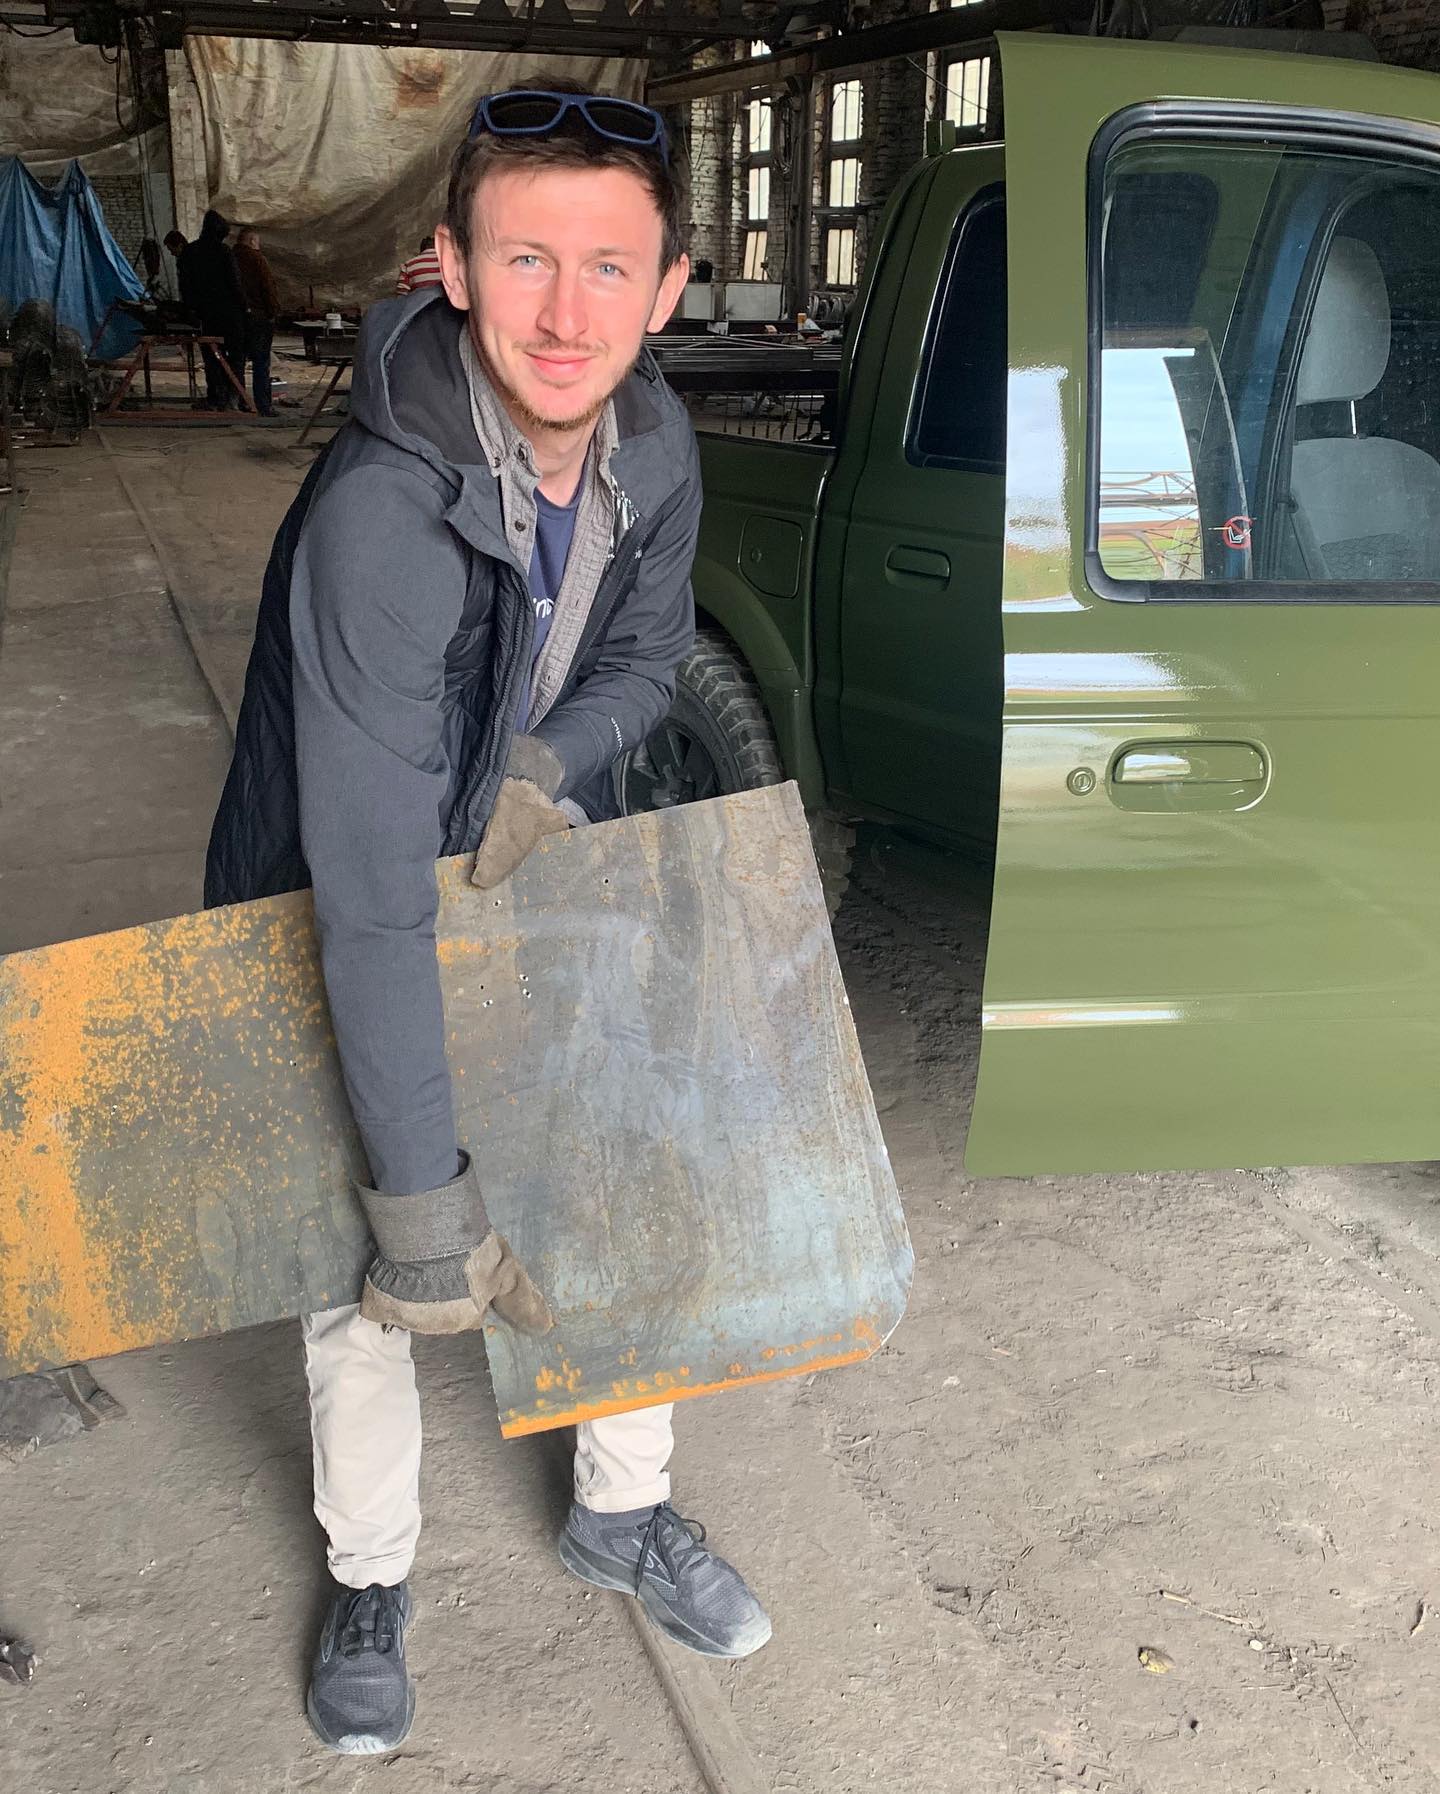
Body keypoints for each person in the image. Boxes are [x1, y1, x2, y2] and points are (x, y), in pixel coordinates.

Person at [203, 84, 771, 1758]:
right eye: (527, 258)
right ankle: (371, 1571)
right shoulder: (380, 514)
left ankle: (621, 1503)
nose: (566, 311)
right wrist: (421, 1199)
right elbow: (370, 896)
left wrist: (547, 758)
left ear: (672, 286)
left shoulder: (653, 446)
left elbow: (645, 655)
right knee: (363, 1246)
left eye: (611, 267)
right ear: (452, 263)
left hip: (513, 844)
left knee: (614, 1155)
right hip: (333, 880)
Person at [176, 209, 246, 408]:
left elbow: (185, 287)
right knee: (235, 358)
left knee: (212, 358)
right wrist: (245, 309)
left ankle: (216, 396)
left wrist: (191, 311)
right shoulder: (224, 252)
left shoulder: (189, 252)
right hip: (229, 314)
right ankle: (237, 398)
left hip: (205, 316)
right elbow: (235, 284)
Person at [235, 226, 281, 417]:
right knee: (261, 362)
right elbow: (267, 288)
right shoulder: (257, 259)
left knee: (238, 360)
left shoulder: (229, 257)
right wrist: (273, 312)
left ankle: (241, 401)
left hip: (237, 318)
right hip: (259, 317)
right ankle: (263, 405)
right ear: (252, 241)